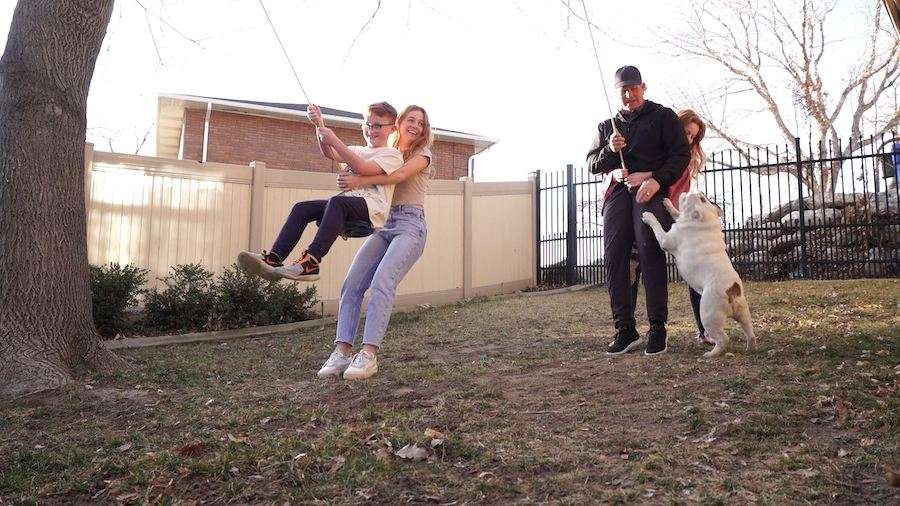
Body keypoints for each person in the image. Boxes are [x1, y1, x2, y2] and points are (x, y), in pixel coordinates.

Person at [315, 105, 434, 380]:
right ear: (398, 123)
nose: (415, 126)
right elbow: (332, 153)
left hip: (410, 226)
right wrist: (319, 125)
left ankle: (368, 354)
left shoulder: (422, 155)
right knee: (352, 283)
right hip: (384, 224)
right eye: (410, 120)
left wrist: (359, 179)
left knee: (382, 281)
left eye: (421, 122)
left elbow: (399, 176)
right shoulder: (383, 151)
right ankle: (342, 351)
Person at [586, 65, 691, 356]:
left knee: (649, 248)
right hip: (618, 193)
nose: (629, 95)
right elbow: (592, 163)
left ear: (644, 87)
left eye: (634, 89)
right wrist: (609, 150)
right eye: (624, 91)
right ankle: (625, 329)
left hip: (650, 190)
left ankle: (658, 327)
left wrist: (655, 179)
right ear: (617, 93)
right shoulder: (608, 126)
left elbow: (681, 155)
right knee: (614, 253)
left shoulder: (663, 117)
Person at [236, 102, 403, 282]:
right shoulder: (358, 150)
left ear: (392, 129)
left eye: (377, 126)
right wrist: (319, 124)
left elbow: (362, 167)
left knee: (337, 202)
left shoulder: (392, 155)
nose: (371, 130)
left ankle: (311, 261)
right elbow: (330, 152)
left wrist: (334, 139)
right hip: (346, 207)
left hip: (373, 210)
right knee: (302, 208)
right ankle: (274, 259)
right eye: (367, 125)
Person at [628, 109, 714, 346]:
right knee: (633, 264)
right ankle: (628, 327)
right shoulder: (659, 151)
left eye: (692, 137)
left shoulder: (683, 161)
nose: (688, 140)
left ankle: (705, 329)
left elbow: (677, 192)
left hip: (674, 219)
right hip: (651, 215)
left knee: (697, 270)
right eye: (685, 132)